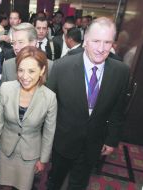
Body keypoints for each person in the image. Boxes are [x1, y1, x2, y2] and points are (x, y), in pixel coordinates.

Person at [47, 17, 130, 189]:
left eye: (107, 42)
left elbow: (118, 110)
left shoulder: (121, 72)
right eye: (96, 41)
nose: (101, 49)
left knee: (79, 184)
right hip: (63, 141)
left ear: (113, 44)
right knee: (54, 181)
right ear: (85, 40)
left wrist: (112, 139)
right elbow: (48, 108)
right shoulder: (61, 67)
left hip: (94, 144)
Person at [0, 46, 57, 190]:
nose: (25, 76)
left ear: (42, 70)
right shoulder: (6, 89)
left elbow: (49, 133)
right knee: (4, 186)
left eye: (31, 71)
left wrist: (43, 159)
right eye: (20, 70)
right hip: (6, 151)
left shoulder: (50, 97)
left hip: (30, 155)